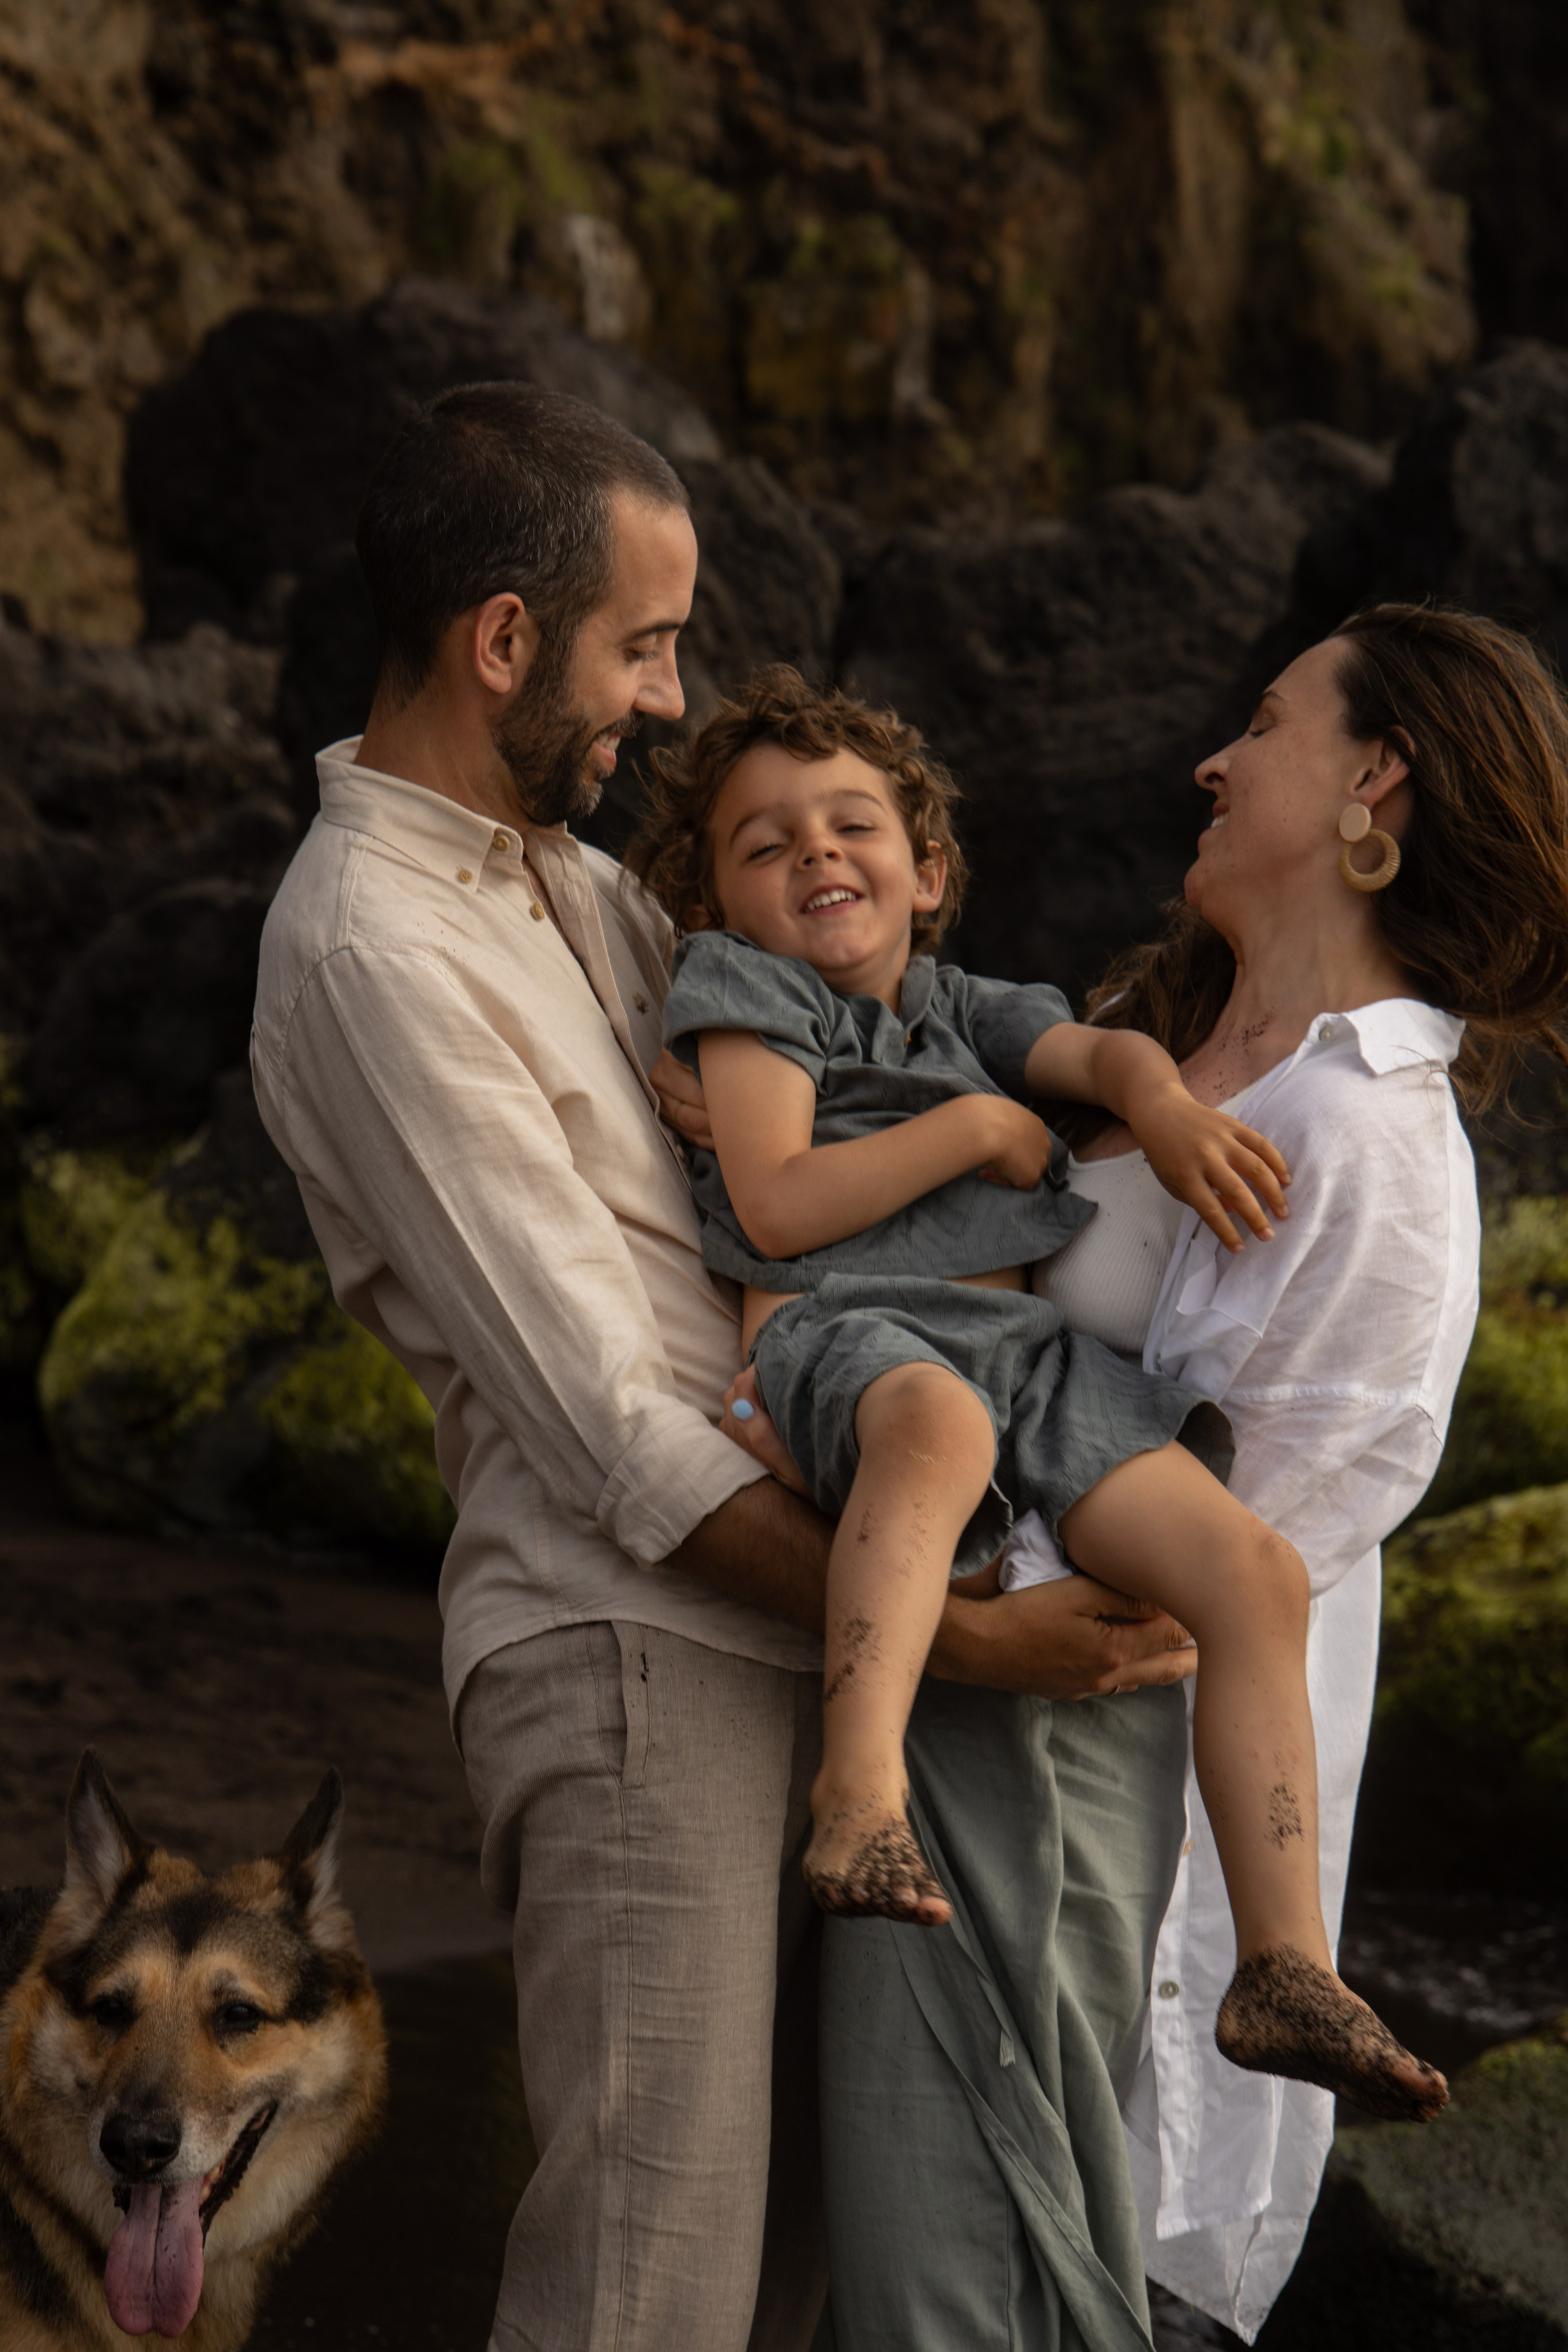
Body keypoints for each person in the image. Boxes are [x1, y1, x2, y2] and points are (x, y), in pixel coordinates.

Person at [249, 378, 1199, 2352]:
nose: (669, 702)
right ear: (503, 641)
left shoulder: (592, 892)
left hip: (808, 1634)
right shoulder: (372, 952)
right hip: (632, 1651)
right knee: (650, 2287)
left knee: (792, 2282)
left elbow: (855, 1094)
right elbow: (612, 1429)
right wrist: (967, 1639)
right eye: (646, 645)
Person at [663, 603, 1568, 2346]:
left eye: (1266, 724)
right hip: (962, 1772)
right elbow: (880, 1213)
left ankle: (1286, 1976)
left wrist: (872, 1534)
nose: (1210, 762)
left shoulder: (1365, 1132)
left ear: (1375, 780)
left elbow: (1206, 1579)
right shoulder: (1172, 1042)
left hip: (1105, 1867)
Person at [627, 665, 1446, 2121]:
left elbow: (1101, 1047)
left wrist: (1161, 1106)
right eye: (764, 844)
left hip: (1021, 1361)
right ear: (714, 902)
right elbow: (777, 1198)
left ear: (927, 873)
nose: (815, 853)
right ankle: (858, 1796)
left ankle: (1282, 1964)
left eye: (851, 826)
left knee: (1253, 1575)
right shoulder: (745, 994)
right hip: (847, 1338)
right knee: (937, 1427)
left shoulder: (961, 1004)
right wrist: (971, 1130)